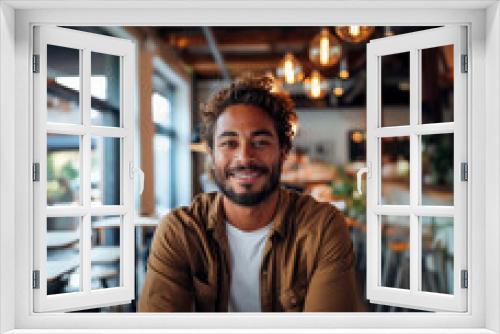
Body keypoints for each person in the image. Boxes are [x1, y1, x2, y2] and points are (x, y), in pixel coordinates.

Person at [139, 75, 360, 312]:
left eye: (261, 142)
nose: (244, 157)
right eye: (229, 143)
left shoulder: (322, 227)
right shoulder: (180, 231)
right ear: (212, 154)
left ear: (283, 151)